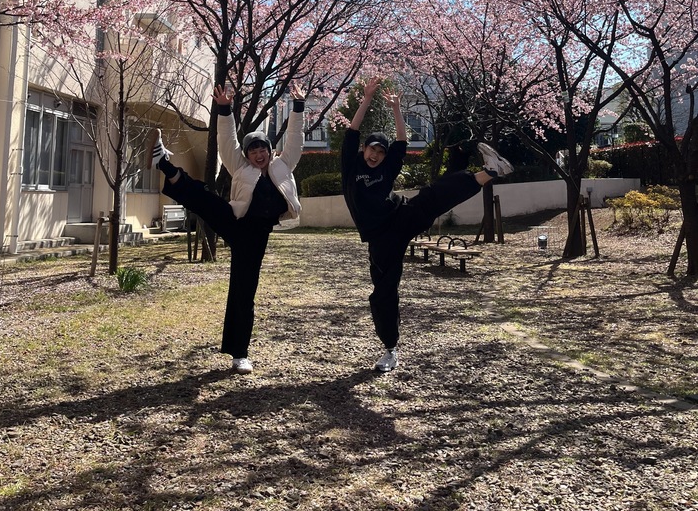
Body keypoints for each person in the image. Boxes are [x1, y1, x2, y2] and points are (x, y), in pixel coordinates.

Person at [341, 78, 513, 373]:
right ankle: (390, 349)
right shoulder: (351, 166)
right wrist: (367, 98)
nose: (375, 155)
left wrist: (397, 109)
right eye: (372, 150)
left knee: (432, 197)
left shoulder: (388, 167)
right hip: (380, 238)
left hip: (400, 216)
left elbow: (401, 142)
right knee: (383, 292)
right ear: (364, 149)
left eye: (380, 152)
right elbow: (352, 131)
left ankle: (489, 173)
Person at [148, 84, 304, 375]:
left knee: (244, 291)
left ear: (270, 151)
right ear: (247, 154)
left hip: (256, 237)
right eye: (253, 150)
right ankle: (166, 166)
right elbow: (226, 141)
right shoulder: (241, 168)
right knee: (207, 200)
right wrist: (224, 110)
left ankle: (239, 354)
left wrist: (298, 107)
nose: (258, 153)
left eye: (262, 148)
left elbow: (295, 140)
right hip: (236, 221)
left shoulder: (284, 166)